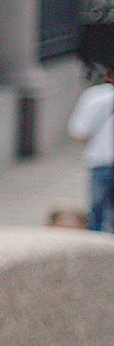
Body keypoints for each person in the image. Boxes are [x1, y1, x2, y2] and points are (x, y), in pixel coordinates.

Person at [70, 64, 114, 233]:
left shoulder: (95, 97)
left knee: (98, 215)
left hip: (101, 163)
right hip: (101, 164)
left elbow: (78, 133)